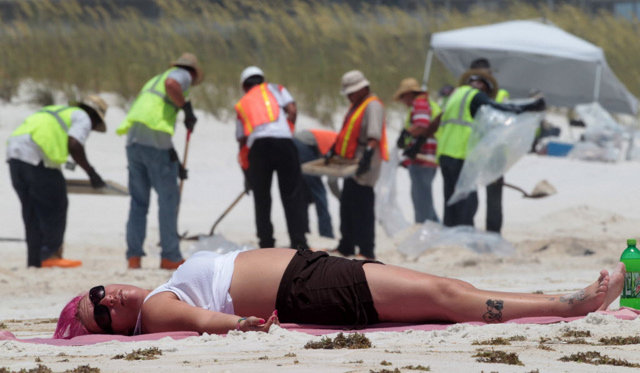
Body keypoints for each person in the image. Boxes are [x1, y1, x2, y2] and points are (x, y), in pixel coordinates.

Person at [53, 247, 625, 338]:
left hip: (314, 274)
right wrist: (240, 328)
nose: (110, 299)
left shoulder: (158, 292)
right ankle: (573, 305)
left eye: (97, 291)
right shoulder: (153, 311)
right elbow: (202, 323)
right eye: (100, 313)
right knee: (448, 295)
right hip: (307, 287)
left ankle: (565, 301)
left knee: (448, 293)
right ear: (114, 327)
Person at [116, 52, 203, 270]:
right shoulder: (181, 74)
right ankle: (170, 256)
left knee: (139, 202)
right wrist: (186, 108)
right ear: (192, 72)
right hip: (154, 145)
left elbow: (156, 128)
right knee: (168, 200)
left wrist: (177, 163)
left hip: (134, 143)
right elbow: (172, 84)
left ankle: (133, 257)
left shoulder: (153, 80)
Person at [427, 68, 545, 228]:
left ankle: (449, 232)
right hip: (460, 154)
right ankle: (463, 233)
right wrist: (529, 107)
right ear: (484, 85)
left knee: (450, 197)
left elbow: (436, 121)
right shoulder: (475, 95)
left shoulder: (455, 95)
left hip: (445, 153)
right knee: (467, 198)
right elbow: (498, 108)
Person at [7, 95, 108, 268]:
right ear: (94, 116)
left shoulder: (54, 111)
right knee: (56, 204)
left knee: (31, 210)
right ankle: (50, 255)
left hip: (14, 156)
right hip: (37, 156)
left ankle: (35, 260)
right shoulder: (82, 116)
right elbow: (75, 144)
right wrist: (92, 173)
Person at [235, 66, 308, 250]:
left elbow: (242, 139)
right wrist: (288, 129)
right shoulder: (276, 89)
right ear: (262, 79)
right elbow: (292, 109)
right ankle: (299, 242)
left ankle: (266, 243)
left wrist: (247, 173)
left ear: (244, 85)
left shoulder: (242, 103)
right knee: (292, 194)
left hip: (258, 147)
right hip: (284, 143)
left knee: (262, 198)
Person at [325, 70, 388, 260]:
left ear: (363, 88)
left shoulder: (373, 106)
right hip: (352, 161)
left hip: (365, 162)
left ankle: (367, 250)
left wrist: (367, 158)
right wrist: (333, 150)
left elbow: (374, 135)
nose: (349, 96)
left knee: (363, 205)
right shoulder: (357, 105)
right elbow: (346, 132)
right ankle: (346, 246)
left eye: (352, 92)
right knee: (348, 204)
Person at [469, 58, 510, 234]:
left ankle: (493, 234)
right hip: (473, 153)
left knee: (494, 197)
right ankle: (468, 230)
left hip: (496, 153)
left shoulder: (501, 96)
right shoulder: (466, 96)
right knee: (470, 196)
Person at [393, 77, 441, 223]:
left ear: (409, 94)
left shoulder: (419, 103)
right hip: (427, 157)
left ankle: (423, 232)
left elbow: (421, 126)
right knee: (424, 199)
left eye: (403, 97)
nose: (403, 101)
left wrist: (406, 133)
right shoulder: (426, 103)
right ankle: (438, 231)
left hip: (423, 157)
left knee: (421, 200)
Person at [292, 128, 339, 238]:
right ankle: (326, 232)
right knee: (319, 192)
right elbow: (332, 180)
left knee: (304, 190)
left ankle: (303, 229)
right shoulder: (340, 147)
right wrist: (341, 197)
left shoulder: (337, 140)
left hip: (296, 142)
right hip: (304, 145)